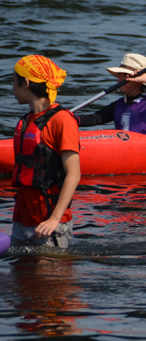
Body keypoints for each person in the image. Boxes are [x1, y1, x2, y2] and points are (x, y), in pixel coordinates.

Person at [11, 55, 81, 248]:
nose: (12, 88)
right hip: (21, 219)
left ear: (25, 83)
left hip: (49, 224)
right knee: (21, 278)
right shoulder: (26, 121)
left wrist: (54, 219)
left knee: (49, 279)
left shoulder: (62, 120)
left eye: (14, 82)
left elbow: (74, 174)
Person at [76, 53, 146, 138]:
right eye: (120, 74)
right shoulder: (119, 105)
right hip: (128, 153)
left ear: (140, 80)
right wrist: (71, 119)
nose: (120, 79)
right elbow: (95, 118)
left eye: (125, 75)